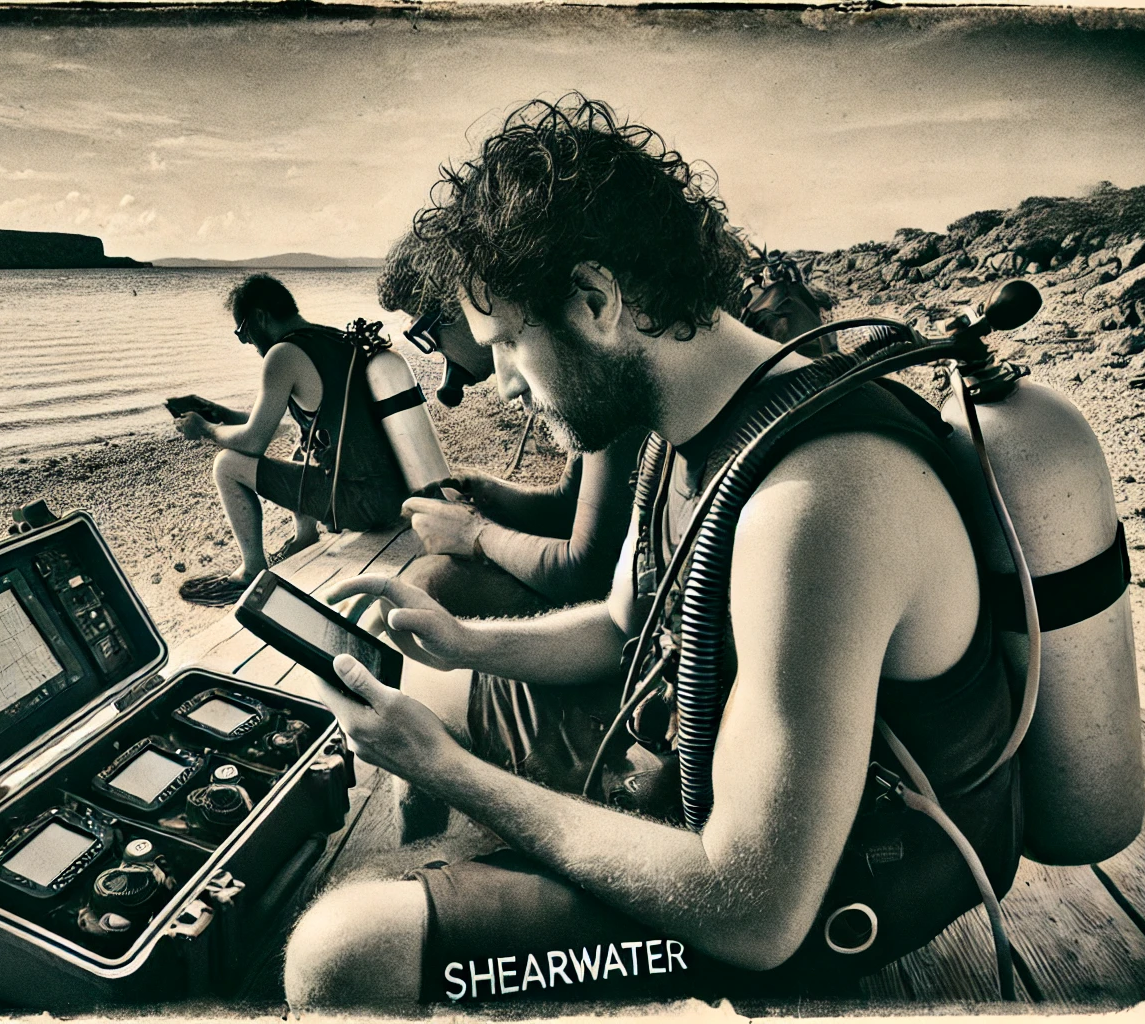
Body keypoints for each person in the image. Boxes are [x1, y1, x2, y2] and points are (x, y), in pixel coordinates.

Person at [282, 95, 1027, 1007]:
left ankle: (441, 904)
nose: (505, 383)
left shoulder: (819, 502)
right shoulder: (686, 426)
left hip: (824, 892)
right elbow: (617, 625)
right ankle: (453, 882)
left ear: (596, 300)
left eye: (511, 342)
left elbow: (754, 911)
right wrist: (461, 641)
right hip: (687, 779)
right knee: (419, 683)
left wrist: (446, 773)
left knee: (340, 951)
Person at [375, 234, 644, 620]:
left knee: (431, 582)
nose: (506, 390)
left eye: (430, 335)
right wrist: (486, 492)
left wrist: (476, 536)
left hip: (609, 616)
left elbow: (589, 570)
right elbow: (571, 503)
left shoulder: (600, 383)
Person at [171, 274, 408, 606]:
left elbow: (253, 442)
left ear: (259, 317)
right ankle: (305, 537)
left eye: (243, 332)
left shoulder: (282, 354)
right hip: (393, 493)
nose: (249, 344)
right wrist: (220, 414)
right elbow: (275, 425)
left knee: (226, 465)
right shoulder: (331, 339)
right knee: (301, 443)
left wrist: (206, 430)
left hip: (362, 503)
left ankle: (251, 569)